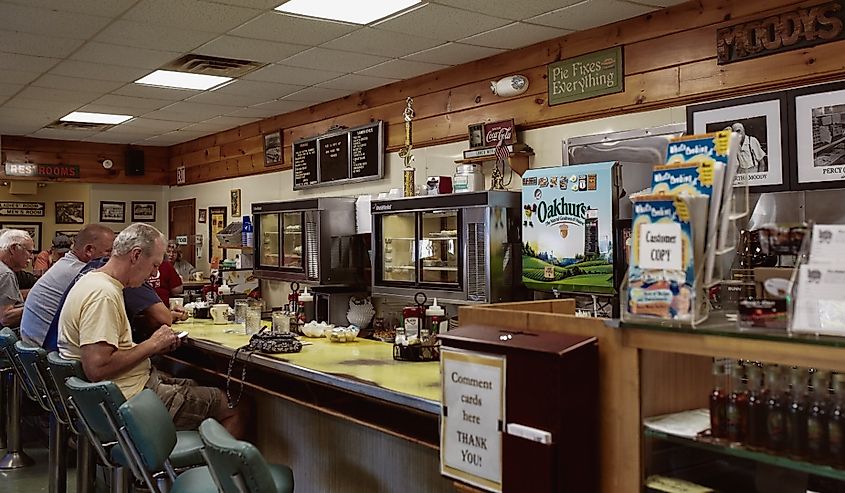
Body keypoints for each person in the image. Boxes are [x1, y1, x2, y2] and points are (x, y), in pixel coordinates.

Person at [58, 224, 246, 437]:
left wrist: (153, 347)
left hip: (123, 389)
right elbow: (98, 367)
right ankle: (206, 469)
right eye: (154, 265)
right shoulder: (103, 295)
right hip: (129, 398)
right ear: (136, 255)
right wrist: (152, 344)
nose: (155, 273)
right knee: (235, 405)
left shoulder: (92, 280)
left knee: (196, 383)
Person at [21, 224, 115, 347]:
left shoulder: (66, 264)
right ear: (89, 250)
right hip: (47, 351)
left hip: (35, 345)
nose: (113, 257)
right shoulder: (82, 273)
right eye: (109, 252)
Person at [0, 229, 34, 328]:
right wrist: (37, 306)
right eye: (29, 252)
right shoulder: (6, 274)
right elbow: (5, 318)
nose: (31, 257)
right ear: (13, 248)